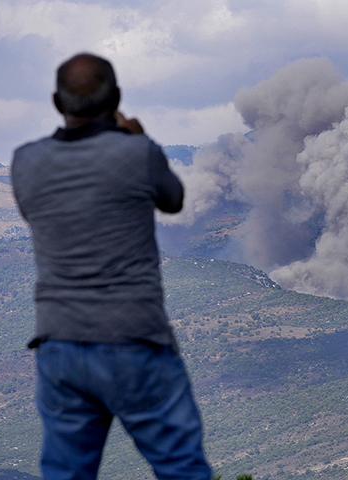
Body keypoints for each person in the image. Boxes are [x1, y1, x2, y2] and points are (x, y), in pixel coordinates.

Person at [11, 53, 212, 480]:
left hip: (60, 345)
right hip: (134, 341)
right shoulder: (137, 152)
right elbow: (172, 199)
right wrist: (136, 136)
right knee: (181, 468)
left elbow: (41, 216)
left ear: (55, 102)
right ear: (117, 97)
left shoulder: (25, 162)